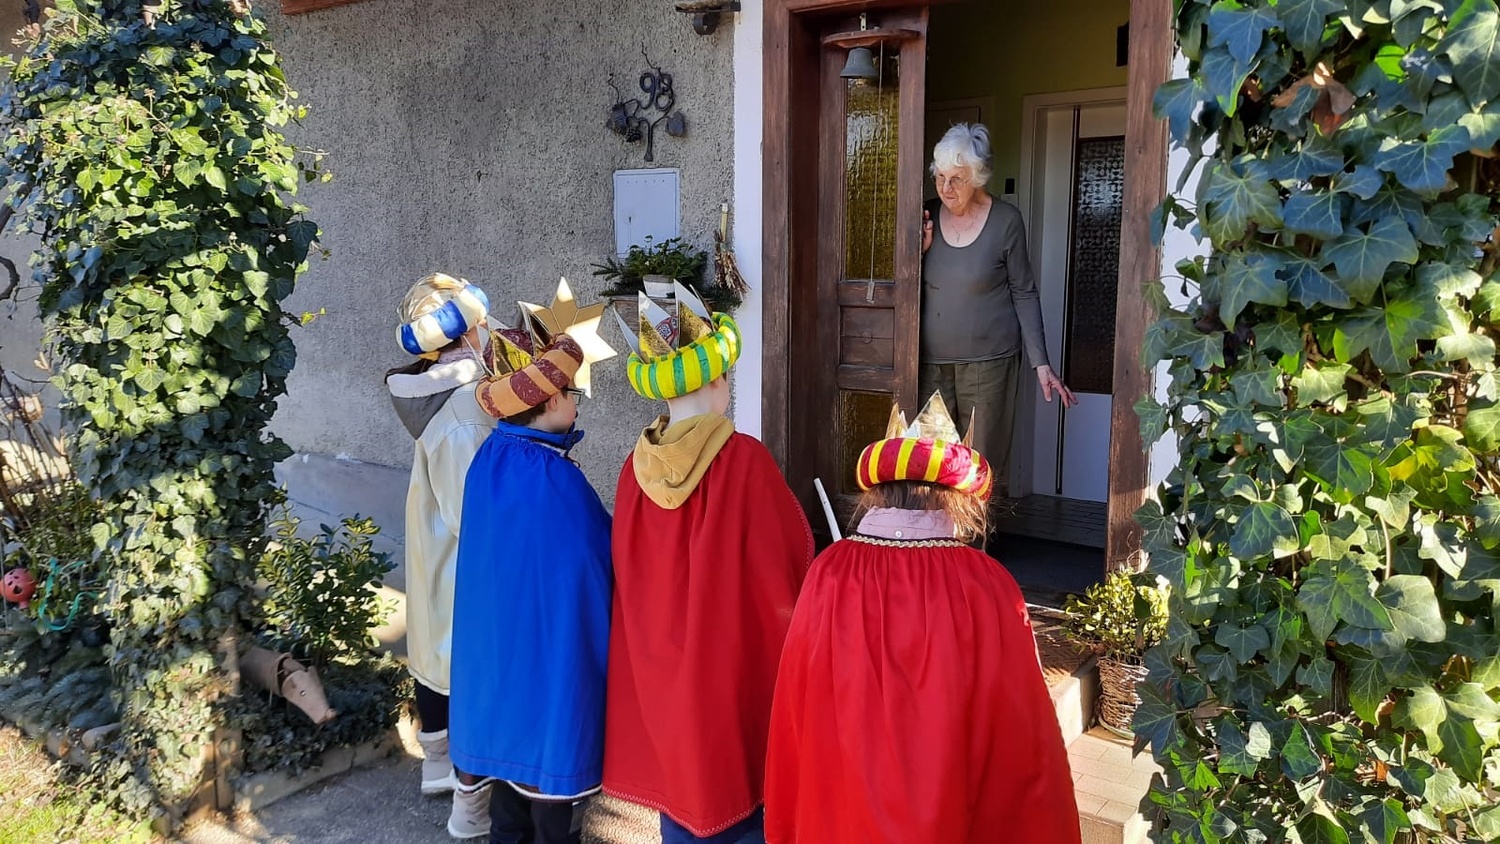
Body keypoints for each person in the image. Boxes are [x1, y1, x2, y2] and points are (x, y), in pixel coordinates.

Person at [764, 392, 1081, 844]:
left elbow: (798, 702)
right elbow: (1021, 728)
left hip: (845, 804)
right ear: (960, 499)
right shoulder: (986, 583)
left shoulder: (829, 572)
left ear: (877, 491)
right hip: (951, 805)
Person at [604, 285, 813, 844]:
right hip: (729, 664)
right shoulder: (743, 461)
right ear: (716, 382)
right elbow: (784, 566)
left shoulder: (633, 470)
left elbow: (627, 569)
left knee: (682, 789)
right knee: (741, 793)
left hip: (661, 665)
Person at [448, 283, 615, 844]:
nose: (576, 403)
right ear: (547, 403)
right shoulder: (552, 475)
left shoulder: (490, 457)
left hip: (499, 648)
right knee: (549, 796)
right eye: (571, 393)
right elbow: (591, 562)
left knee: (508, 792)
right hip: (547, 654)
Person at [384, 274, 497, 838]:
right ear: (468, 333)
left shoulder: (435, 394)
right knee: (465, 661)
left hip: (438, 548)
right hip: (462, 559)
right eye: (483, 323)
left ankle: (437, 761)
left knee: (436, 650)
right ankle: (470, 797)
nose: (491, 331)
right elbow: (472, 513)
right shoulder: (463, 413)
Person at [920, 122, 1077, 497]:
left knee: (978, 468)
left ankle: (975, 535)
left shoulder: (1006, 221)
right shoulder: (924, 216)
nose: (945, 188)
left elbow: (1024, 291)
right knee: (930, 467)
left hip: (989, 364)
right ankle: (936, 536)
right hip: (929, 364)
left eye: (956, 179)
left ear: (977, 177)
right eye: (940, 178)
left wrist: (1041, 363)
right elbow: (901, 283)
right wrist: (918, 254)